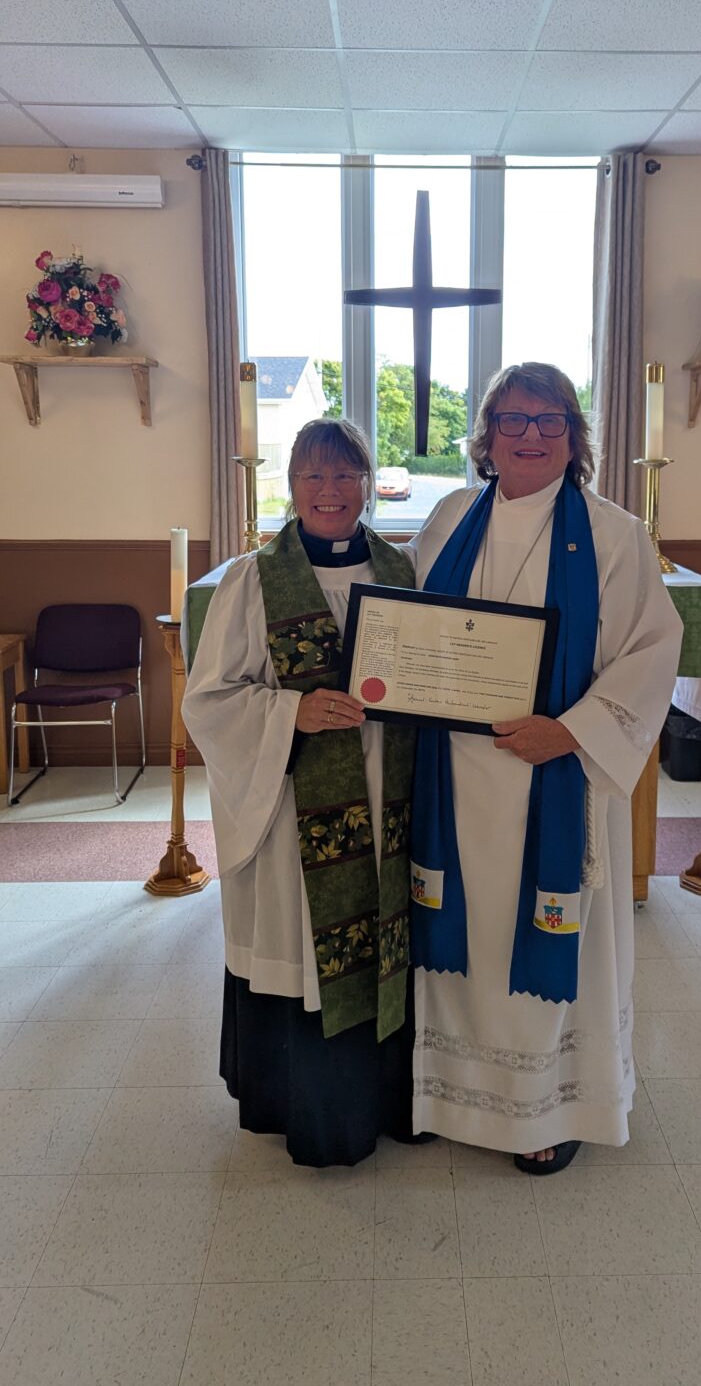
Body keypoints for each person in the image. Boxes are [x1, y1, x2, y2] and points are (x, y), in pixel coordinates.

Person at [408, 362, 683, 1174]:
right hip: (453, 774)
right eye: (513, 420)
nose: (530, 435)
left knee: (539, 931)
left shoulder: (613, 533)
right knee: (458, 927)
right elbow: (416, 629)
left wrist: (570, 731)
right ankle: (446, 1092)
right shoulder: (451, 514)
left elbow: (649, 652)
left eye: (550, 420)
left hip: (551, 775)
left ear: (575, 436)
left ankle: (545, 1108)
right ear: (487, 435)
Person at [182, 419, 418, 1167]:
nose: (329, 491)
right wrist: (293, 712)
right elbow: (210, 700)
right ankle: (313, 1114)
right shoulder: (254, 578)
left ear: (366, 484)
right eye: (313, 476)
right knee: (303, 949)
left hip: (385, 803)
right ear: (292, 485)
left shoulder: (401, 571)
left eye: (345, 475)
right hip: (294, 813)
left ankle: (390, 1103)